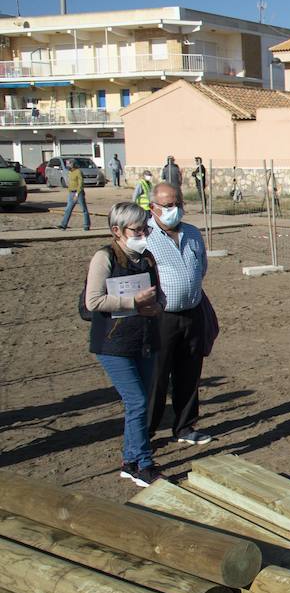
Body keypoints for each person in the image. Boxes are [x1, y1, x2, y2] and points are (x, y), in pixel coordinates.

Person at [86, 203, 162, 485]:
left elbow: (158, 293)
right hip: (113, 342)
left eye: (145, 228)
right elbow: (92, 301)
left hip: (144, 339)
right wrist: (133, 302)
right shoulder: (104, 258)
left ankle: (130, 459)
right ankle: (143, 463)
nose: (143, 234)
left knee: (141, 402)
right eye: (137, 229)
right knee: (137, 401)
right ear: (117, 231)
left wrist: (157, 306)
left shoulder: (147, 258)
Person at [145, 183, 212, 445]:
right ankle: (147, 432)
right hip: (161, 316)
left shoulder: (193, 233)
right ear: (153, 208)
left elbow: (201, 267)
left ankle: (185, 426)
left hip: (192, 312)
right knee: (157, 377)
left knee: (190, 373)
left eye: (178, 204)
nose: (175, 209)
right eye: (168, 206)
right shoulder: (146, 238)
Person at [58, 159, 91, 231]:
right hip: (71, 193)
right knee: (68, 209)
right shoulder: (70, 172)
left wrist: (77, 193)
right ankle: (63, 225)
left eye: (69, 164)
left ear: (74, 164)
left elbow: (80, 183)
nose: (68, 165)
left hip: (78, 193)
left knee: (84, 209)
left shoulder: (78, 171)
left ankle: (86, 225)